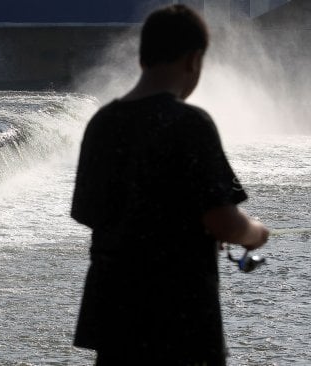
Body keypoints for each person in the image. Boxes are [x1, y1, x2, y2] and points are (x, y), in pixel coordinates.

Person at [71, 5, 269, 365]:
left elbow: (88, 213)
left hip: (114, 315)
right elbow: (223, 222)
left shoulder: (102, 123)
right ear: (194, 60)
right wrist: (256, 234)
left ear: (143, 58)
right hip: (180, 319)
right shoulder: (189, 123)